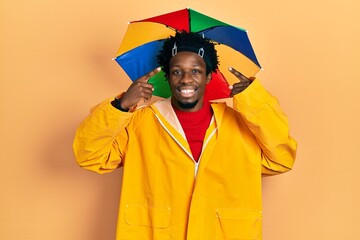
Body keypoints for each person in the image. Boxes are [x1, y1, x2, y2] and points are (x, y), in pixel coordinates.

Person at [73, 31, 297, 240]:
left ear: (209, 77)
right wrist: (121, 106)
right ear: (168, 78)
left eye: (196, 71)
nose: (186, 79)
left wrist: (254, 100)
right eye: (177, 71)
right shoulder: (140, 123)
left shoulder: (241, 124)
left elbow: (282, 158)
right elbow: (88, 155)